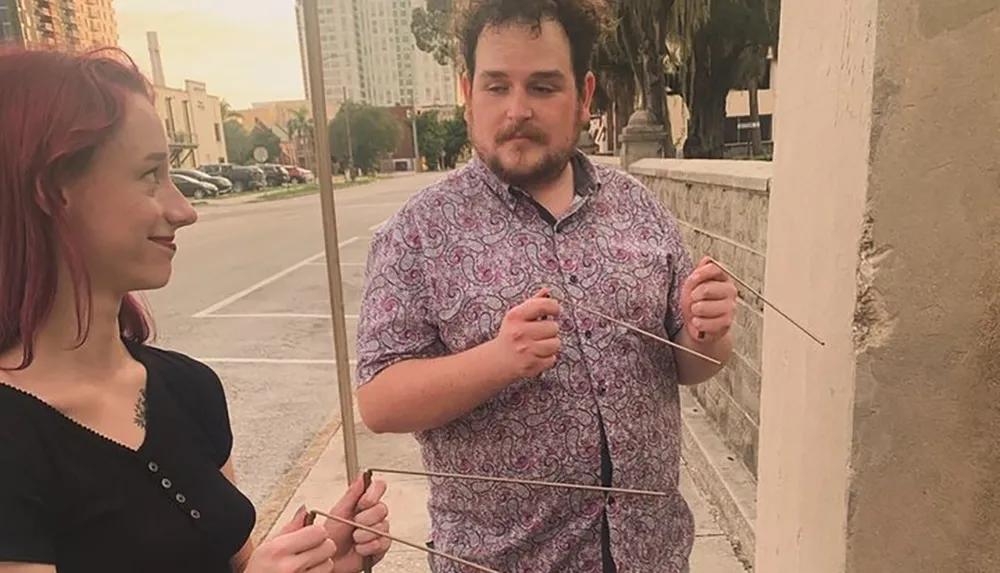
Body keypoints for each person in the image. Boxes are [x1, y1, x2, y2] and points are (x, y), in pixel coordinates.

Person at [353, 1, 740, 572]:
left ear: (583, 96)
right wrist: (498, 360)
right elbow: (379, 401)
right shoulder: (420, 232)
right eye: (496, 87)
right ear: (467, 92)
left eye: (542, 86)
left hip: (652, 555)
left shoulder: (637, 208)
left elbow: (691, 364)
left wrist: (708, 330)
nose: (517, 110)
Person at [0, 47, 391, 573]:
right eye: (149, 175)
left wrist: (325, 561)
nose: (183, 209)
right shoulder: (14, 438)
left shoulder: (188, 388)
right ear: (52, 190)